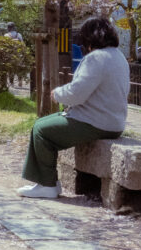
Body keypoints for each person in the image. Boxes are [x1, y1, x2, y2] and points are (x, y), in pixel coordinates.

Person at [18, 17, 128, 199]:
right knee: (44, 123)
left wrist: (57, 93)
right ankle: (47, 183)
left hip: (94, 123)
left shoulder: (96, 59)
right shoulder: (118, 56)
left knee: (41, 130)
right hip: (114, 123)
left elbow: (77, 93)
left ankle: (47, 184)